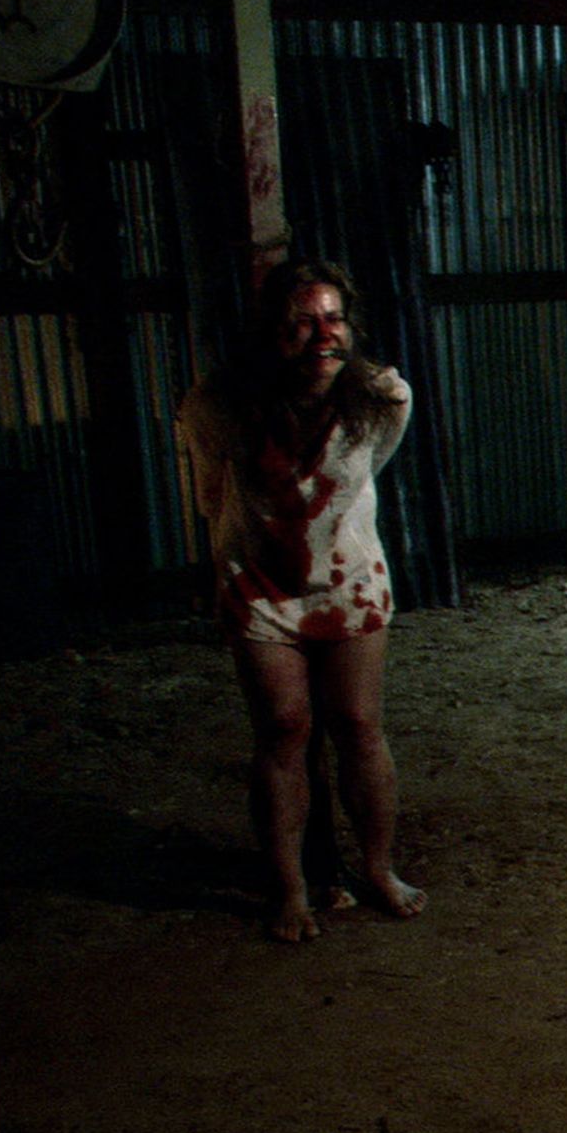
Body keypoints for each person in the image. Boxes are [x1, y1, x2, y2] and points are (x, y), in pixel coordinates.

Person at [179, 259, 427, 943]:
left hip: (349, 579)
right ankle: (290, 888)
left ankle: (376, 867)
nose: (323, 336)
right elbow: (210, 493)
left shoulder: (382, 397)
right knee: (284, 729)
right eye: (302, 323)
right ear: (270, 332)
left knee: (358, 724)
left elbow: (364, 473)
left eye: (334, 319)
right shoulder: (220, 403)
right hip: (259, 581)